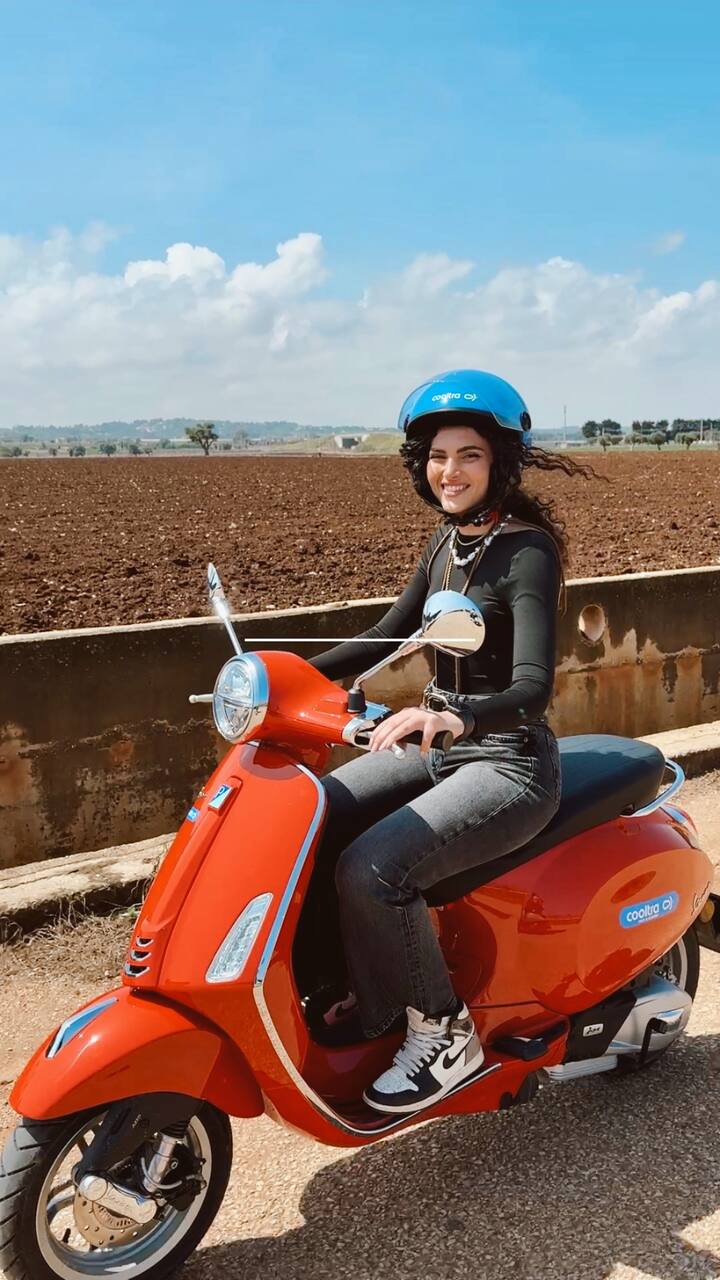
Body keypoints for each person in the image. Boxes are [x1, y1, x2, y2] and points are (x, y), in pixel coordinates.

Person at [307, 369, 594, 1115]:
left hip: (509, 764)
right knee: (314, 814)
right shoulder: (446, 540)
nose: (451, 471)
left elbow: (533, 687)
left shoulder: (527, 552)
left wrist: (455, 717)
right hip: (442, 749)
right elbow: (389, 633)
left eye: (469, 455)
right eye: (438, 456)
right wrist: (282, 674)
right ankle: (363, 991)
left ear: (500, 462)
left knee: (374, 866)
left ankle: (443, 1033)